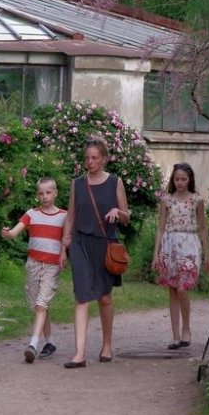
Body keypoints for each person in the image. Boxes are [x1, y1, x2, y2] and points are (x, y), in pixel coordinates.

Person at [59, 136, 131, 368]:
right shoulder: (77, 184)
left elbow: (127, 217)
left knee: (104, 297)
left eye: (94, 158)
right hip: (80, 243)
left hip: (105, 244)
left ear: (104, 159)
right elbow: (70, 215)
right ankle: (79, 354)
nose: (90, 162)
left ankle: (107, 344)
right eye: (87, 158)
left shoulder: (115, 182)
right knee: (82, 296)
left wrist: (117, 212)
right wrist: (64, 245)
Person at [1, 177, 67, 363]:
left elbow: (67, 239)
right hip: (33, 265)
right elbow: (15, 232)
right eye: (40, 193)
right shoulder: (31, 214)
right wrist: (7, 234)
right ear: (37, 195)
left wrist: (64, 254)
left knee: (41, 304)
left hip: (52, 266)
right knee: (38, 305)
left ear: (55, 193)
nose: (44, 197)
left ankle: (33, 344)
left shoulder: (64, 216)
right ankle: (50, 342)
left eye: (48, 193)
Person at [151, 162, 209, 349]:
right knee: (173, 290)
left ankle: (187, 328)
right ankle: (175, 335)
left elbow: (203, 227)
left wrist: (207, 254)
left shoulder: (197, 200)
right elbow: (160, 227)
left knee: (183, 288)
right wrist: (156, 254)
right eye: (177, 179)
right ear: (172, 180)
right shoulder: (166, 200)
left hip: (190, 246)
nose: (180, 182)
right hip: (170, 247)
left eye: (184, 179)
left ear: (190, 179)